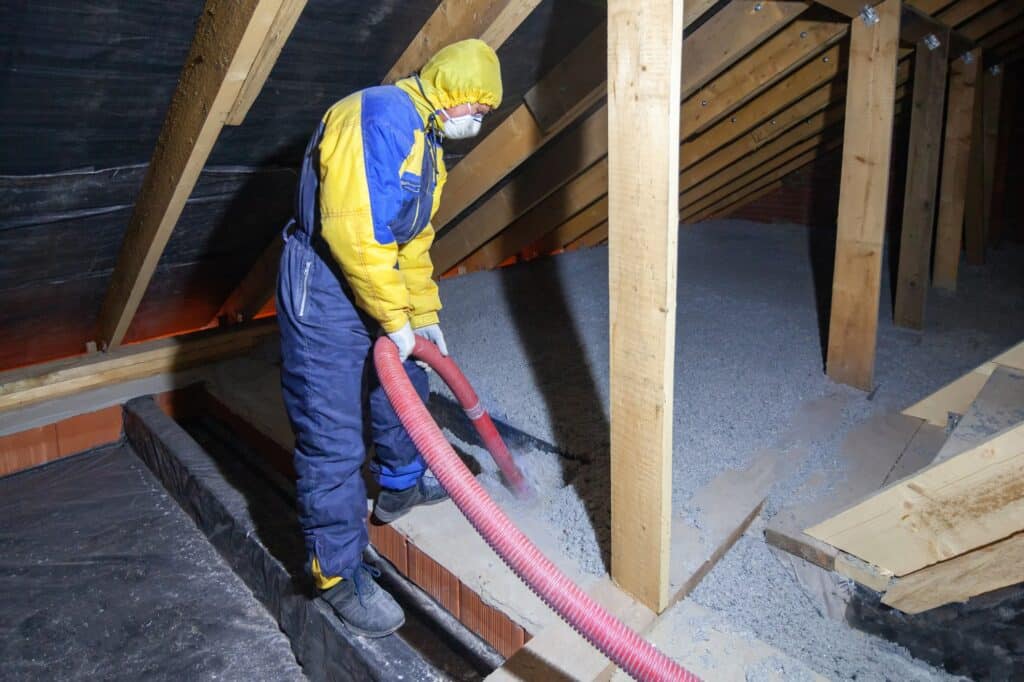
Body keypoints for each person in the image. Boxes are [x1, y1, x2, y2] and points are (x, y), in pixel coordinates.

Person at [275, 39, 502, 638]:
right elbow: (354, 236)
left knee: (403, 382)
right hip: (323, 281)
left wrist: (421, 315)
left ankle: (400, 487)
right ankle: (336, 572)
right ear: (449, 90)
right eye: (476, 106)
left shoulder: (427, 140)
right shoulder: (380, 115)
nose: (479, 120)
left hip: (372, 273)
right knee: (332, 431)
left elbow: (414, 241)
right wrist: (394, 320)